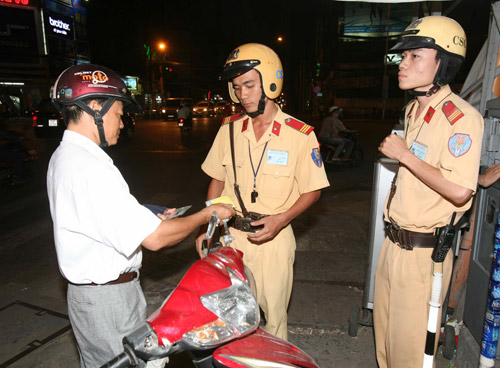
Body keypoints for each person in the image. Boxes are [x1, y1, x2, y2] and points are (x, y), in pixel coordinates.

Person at [47, 64, 234, 367]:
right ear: (95, 106)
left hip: (93, 299)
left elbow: (94, 217)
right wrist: (207, 214)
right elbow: (156, 240)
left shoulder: (65, 157)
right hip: (108, 303)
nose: (122, 123)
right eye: (119, 114)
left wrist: (146, 215)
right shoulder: (89, 168)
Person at [195, 43, 330, 340]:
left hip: (274, 240)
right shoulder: (228, 129)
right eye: (237, 87)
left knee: (274, 320)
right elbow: (217, 179)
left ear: (270, 81)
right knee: (233, 316)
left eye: (249, 85)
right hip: (233, 236)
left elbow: (313, 191)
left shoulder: (300, 135)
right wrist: (211, 225)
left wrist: (281, 220)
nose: (243, 95)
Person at [373, 16, 484, 368]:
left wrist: (403, 154)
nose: (403, 64)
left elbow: (460, 191)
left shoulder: (461, 118)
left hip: (422, 256)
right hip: (392, 245)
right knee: (385, 345)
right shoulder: (414, 110)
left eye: (415, 56)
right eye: (403, 57)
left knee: (409, 353)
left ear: (443, 63)